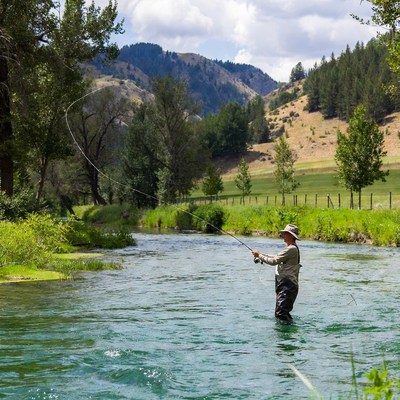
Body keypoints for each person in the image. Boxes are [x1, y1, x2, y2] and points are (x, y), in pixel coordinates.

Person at [252, 224, 301, 322]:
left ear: (291, 236)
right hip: (285, 286)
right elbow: (275, 257)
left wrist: (260, 256)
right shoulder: (290, 248)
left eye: (285, 234)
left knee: (281, 314)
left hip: (288, 287)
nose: (282, 235)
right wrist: (261, 255)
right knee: (282, 314)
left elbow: (274, 261)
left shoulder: (291, 249)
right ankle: (287, 333)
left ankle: (286, 336)